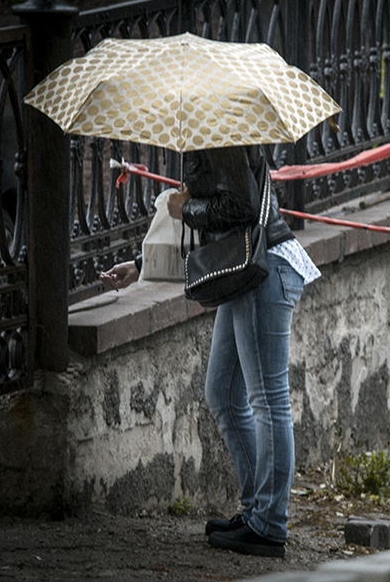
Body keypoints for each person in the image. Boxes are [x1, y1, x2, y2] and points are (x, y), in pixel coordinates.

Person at [100, 146, 319, 558]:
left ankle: (269, 525)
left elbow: (241, 205)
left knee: (268, 401)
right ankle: (257, 509)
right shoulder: (210, 138)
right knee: (221, 392)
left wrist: (189, 209)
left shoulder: (226, 137)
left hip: (262, 269)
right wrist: (140, 264)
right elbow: (220, 221)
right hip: (243, 271)